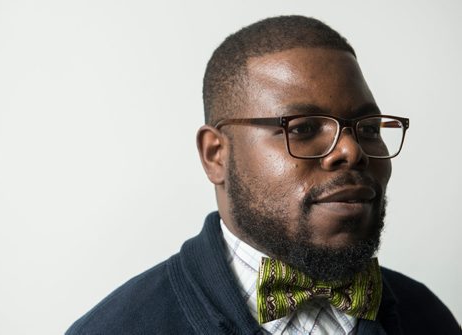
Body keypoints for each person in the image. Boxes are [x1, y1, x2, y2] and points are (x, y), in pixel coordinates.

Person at [66, 15, 460, 334]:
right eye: (303, 129)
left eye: (369, 128)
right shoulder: (116, 327)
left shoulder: (427, 316)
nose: (351, 150)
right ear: (215, 155)